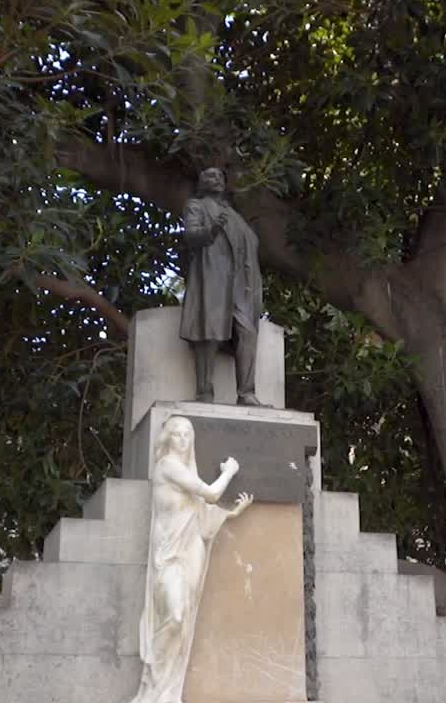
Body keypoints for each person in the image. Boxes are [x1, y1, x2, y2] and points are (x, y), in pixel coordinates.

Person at [128, 417, 253, 703]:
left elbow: (198, 511)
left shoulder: (187, 470)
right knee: (175, 615)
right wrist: (230, 471)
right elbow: (210, 493)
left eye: (187, 435)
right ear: (167, 439)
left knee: (184, 621)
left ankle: (170, 694)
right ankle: (153, 686)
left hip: (191, 548)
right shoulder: (167, 466)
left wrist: (229, 514)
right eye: (177, 435)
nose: (183, 441)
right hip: (168, 555)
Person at [179, 168, 265, 406]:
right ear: (201, 183)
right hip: (212, 276)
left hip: (239, 284)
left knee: (248, 332)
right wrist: (212, 230)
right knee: (210, 332)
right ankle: (204, 392)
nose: (214, 179)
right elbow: (191, 236)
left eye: (219, 177)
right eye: (208, 176)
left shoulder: (233, 214)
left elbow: (250, 242)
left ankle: (246, 393)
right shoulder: (196, 206)